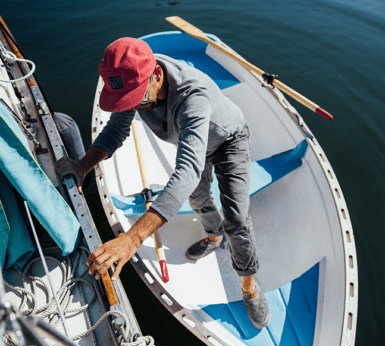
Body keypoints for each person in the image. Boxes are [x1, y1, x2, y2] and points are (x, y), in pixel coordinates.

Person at [55, 37, 271, 329]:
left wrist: (132, 238)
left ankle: (249, 284)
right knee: (197, 199)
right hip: (192, 141)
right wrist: (83, 165)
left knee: (236, 217)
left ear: (157, 75)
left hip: (228, 140)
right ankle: (214, 236)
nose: (137, 107)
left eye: (139, 100)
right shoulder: (135, 76)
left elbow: (187, 171)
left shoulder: (193, 96)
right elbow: (116, 131)